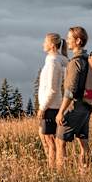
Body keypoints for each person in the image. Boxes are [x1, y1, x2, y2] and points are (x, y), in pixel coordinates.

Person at [55, 26, 92, 171]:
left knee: (60, 142)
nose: (67, 41)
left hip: (75, 107)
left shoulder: (75, 62)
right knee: (83, 142)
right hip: (86, 106)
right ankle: (84, 171)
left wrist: (61, 111)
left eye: (70, 38)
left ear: (78, 41)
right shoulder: (87, 59)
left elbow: (70, 91)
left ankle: (61, 175)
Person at [37, 33, 68, 168]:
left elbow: (52, 89)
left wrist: (42, 107)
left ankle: (54, 169)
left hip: (51, 106)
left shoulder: (53, 63)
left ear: (52, 45)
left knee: (50, 141)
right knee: (51, 139)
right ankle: (57, 168)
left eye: (45, 42)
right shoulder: (58, 60)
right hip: (54, 105)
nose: (43, 44)